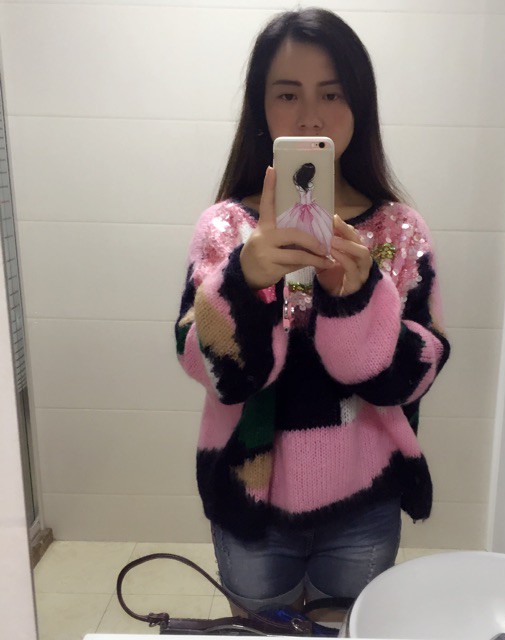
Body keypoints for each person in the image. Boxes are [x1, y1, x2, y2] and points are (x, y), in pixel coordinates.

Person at [174, 7, 450, 621]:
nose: (310, 116)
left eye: (332, 93)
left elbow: (416, 372)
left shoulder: (399, 231)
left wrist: (356, 297)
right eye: (287, 94)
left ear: (360, 104)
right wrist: (243, 281)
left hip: (364, 500)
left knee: (349, 630)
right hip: (250, 498)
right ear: (261, 107)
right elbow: (220, 375)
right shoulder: (225, 229)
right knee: (262, 632)